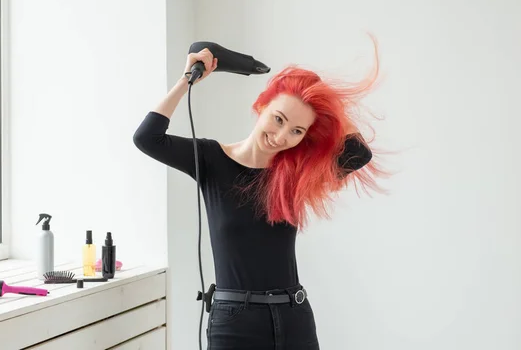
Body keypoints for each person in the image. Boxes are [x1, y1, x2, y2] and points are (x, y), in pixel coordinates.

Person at [133, 43, 384, 349]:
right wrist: (188, 79)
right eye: (279, 118)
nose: (281, 137)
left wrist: (323, 105)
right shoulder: (210, 159)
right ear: (262, 105)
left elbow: (359, 153)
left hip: (294, 317)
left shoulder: (294, 172)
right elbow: (147, 138)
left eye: (296, 131)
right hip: (234, 323)